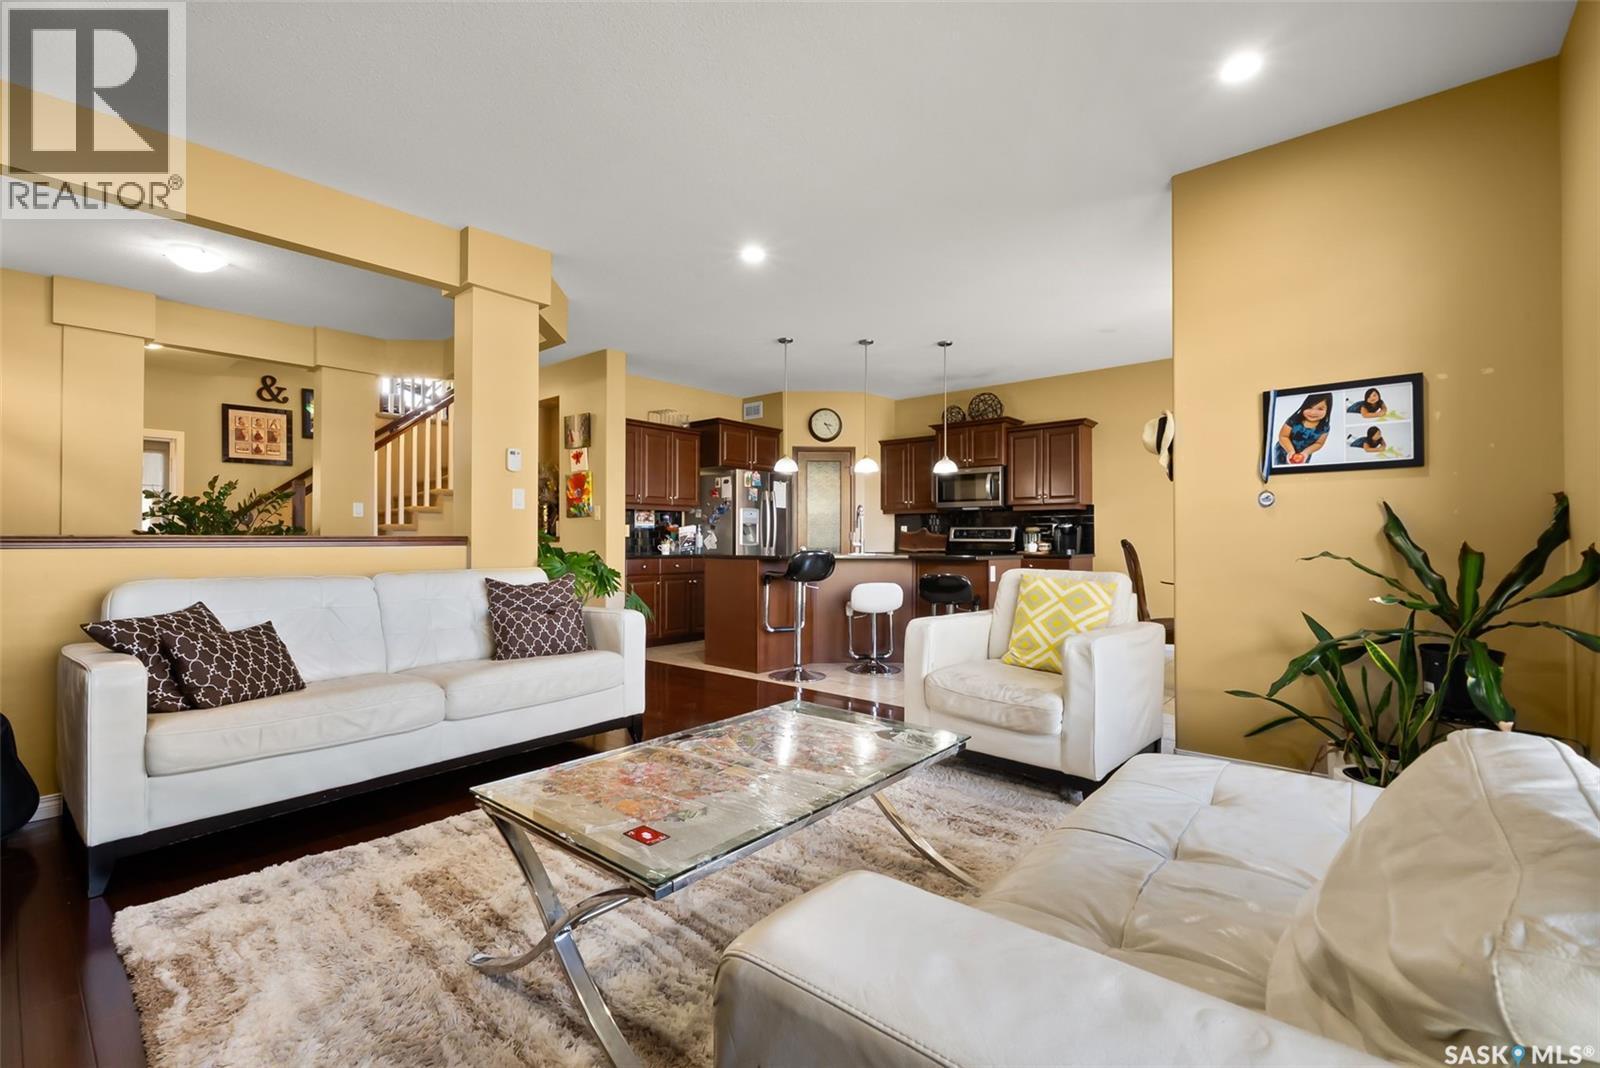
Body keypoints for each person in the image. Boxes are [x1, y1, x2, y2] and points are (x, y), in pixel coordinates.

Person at [1276, 392, 1332, 465]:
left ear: (1327, 410)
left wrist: (1306, 453)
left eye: (1320, 409)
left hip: (1303, 455)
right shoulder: (1294, 420)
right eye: (1309, 407)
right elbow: (1283, 436)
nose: (1313, 412)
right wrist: (1290, 451)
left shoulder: (1325, 427)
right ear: (1304, 406)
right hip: (1284, 451)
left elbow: (1319, 443)